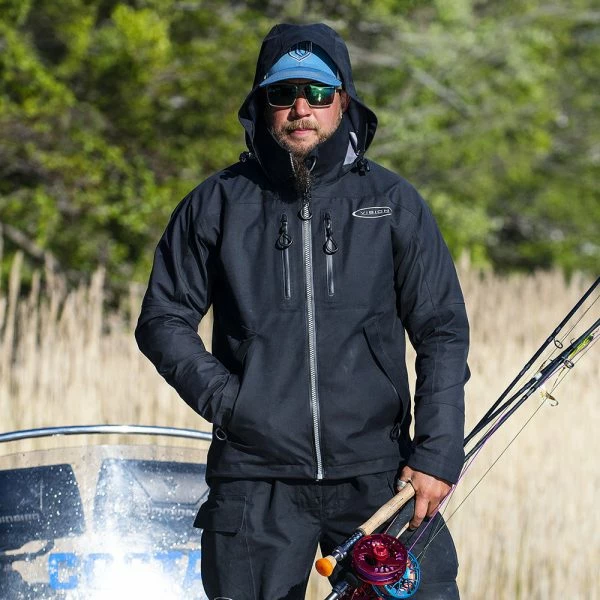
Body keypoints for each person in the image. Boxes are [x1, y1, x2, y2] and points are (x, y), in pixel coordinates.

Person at [136, 22, 469, 600]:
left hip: (380, 475)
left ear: (344, 100)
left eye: (317, 92)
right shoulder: (216, 203)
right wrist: (235, 404)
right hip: (253, 480)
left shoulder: (393, 203)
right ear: (261, 104)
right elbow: (163, 320)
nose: (301, 108)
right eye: (282, 93)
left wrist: (438, 452)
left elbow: (441, 330)